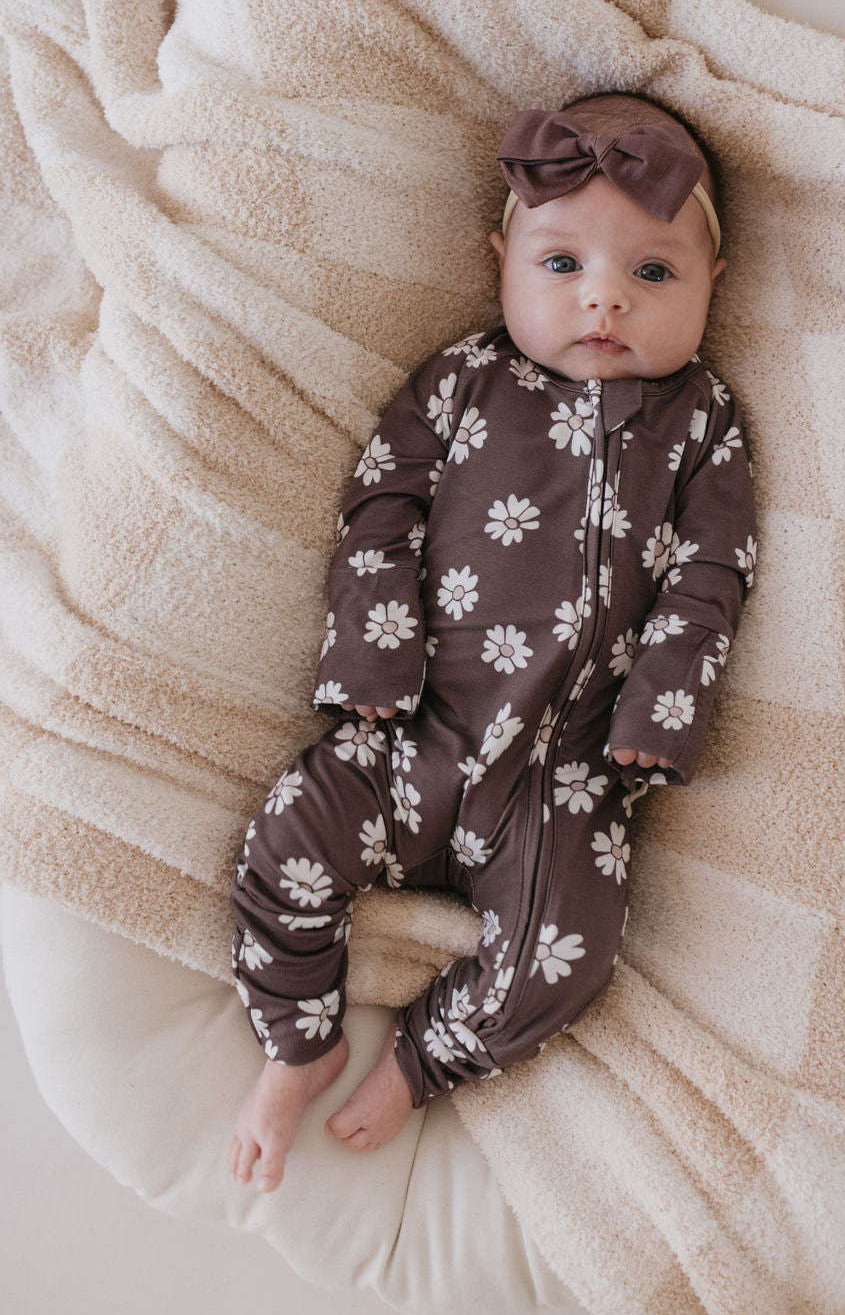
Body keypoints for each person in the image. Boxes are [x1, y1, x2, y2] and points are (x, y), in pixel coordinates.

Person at [227, 90, 757, 1191]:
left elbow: (711, 577)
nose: (604, 294)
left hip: (566, 776)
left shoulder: (700, 421)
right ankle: (300, 1037)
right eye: (562, 264)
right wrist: (374, 654)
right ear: (500, 262)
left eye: (653, 273)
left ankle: (424, 1059)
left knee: (570, 950)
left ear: (715, 288)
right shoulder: (463, 382)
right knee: (286, 839)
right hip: (422, 728)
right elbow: (381, 508)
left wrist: (660, 706)